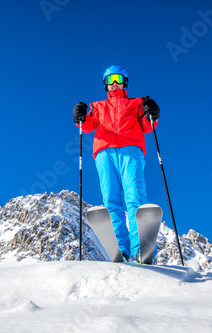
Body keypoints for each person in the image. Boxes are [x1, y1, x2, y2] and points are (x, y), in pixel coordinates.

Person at [72, 65, 160, 263]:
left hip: (131, 148)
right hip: (104, 152)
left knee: (134, 194)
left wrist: (151, 112)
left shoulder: (137, 103)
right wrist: (80, 116)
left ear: (125, 82)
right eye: (109, 80)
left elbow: (148, 126)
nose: (114, 84)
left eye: (118, 79)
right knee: (111, 199)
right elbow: (87, 126)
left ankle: (140, 249)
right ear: (105, 84)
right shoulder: (98, 106)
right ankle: (122, 249)